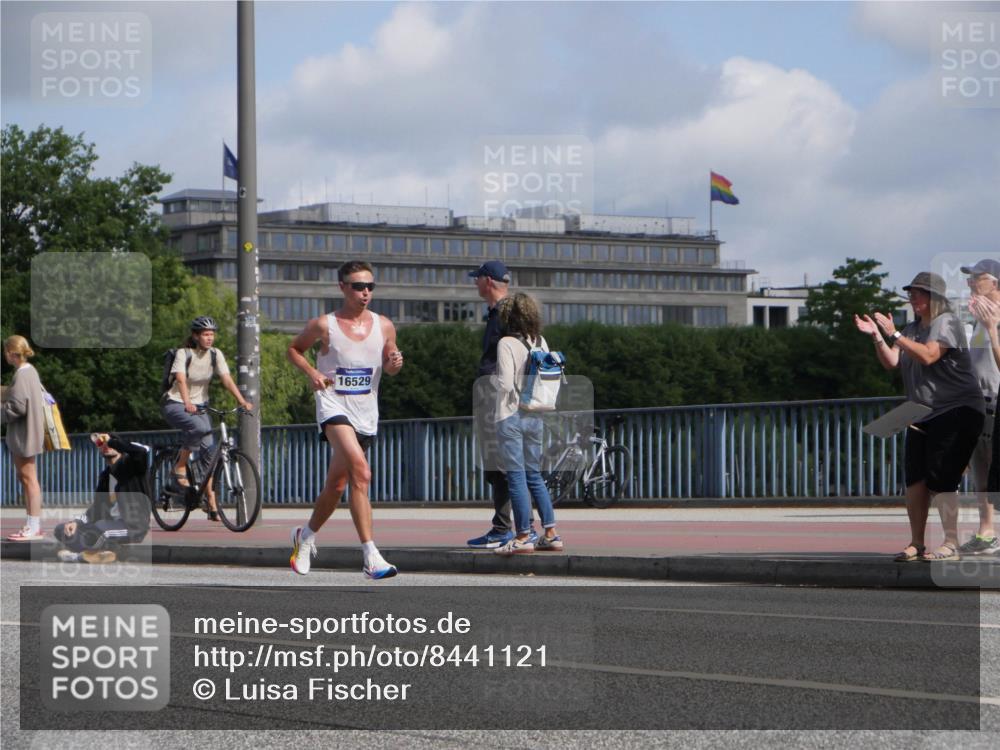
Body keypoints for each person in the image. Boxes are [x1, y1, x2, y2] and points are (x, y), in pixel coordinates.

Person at [854, 271, 984, 561]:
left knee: (942, 475)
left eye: (918, 293)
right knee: (915, 478)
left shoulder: (947, 323)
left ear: (934, 297)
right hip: (922, 411)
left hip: (957, 409)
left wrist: (894, 335)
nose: (912, 297)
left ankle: (950, 542)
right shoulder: (912, 328)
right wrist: (878, 336)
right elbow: (892, 362)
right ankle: (916, 542)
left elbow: (928, 355)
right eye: (910, 292)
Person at [286, 260, 403, 579]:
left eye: (370, 286)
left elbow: (390, 366)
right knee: (362, 473)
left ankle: (306, 537)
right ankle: (371, 556)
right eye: (357, 286)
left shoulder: (384, 325)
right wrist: (312, 372)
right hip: (332, 405)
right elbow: (294, 349)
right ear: (342, 287)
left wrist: (394, 362)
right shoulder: (324, 325)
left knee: (337, 484)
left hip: (366, 411)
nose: (365, 292)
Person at [466, 260, 538, 549]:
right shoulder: (510, 312)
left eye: (477, 278)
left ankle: (505, 528)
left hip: (499, 398)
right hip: (508, 397)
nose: (474, 283)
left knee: (501, 464)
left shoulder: (504, 315)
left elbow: (503, 360)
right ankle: (523, 526)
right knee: (504, 464)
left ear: (488, 281)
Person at [160, 316, 252, 521]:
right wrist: (186, 403)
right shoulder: (184, 354)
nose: (210, 338)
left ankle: (210, 500)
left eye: (212, 334)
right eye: (205, 334)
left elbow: (226, 378)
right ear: (195, 336)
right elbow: (181, 380)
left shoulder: (215, 354)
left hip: (200, 406)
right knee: (198, 430)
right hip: (175, 403)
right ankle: (180, 466)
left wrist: (241, 400)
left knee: (209, 454)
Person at [492, 292, 563, 556]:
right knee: (534, 475)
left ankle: (523, 535)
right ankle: (551, 534)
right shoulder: (541, 341)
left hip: (510, 415)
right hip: (536, 414)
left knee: (516, 476)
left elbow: (505, 384)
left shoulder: (507, 343)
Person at [53, 433, 151, 564]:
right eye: (101, 444)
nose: (106, 445)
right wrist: (76, 522)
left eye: (109, 443)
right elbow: (96, 509)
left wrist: (112, 441)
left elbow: (141, 452)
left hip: (132, 527)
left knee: (100, 528)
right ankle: (95, 554)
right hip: (108, 525)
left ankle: (79, 555)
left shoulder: (133, 468)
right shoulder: (105, 477)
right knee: (62, 529)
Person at [958, 258, 1000, 555]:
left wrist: (992, 327)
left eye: (977, 278)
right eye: (969, 278)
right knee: (981, 473)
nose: (971, 283)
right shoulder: (977, 320)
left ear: (995, 282)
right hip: (978, 404)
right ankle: (987, 532)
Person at [2, 335, 47, 541]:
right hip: (30, 431)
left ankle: (33, 526)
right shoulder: (30, 372)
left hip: (23, 434)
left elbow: (18, 407)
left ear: (11, 353)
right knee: (27, 478)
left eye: (5, 352)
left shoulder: (21, 374)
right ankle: (32, 525)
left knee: (28, 479)